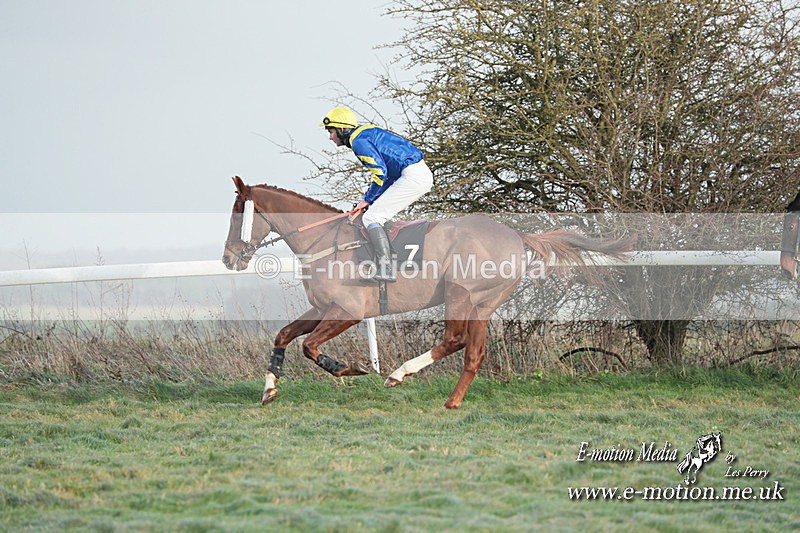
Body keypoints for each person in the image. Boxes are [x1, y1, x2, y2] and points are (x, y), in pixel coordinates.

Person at [321, 106, 433, 282]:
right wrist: (370, 200)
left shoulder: (359, 142)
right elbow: (387, 172)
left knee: (371, 218)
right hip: (413, 173)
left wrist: (367, 199)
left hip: (412, 176)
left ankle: (386, 268)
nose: (330, 137)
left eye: (331, 131)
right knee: (375, 212)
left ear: (342, 129)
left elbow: (380, 173)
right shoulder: (364, 133)